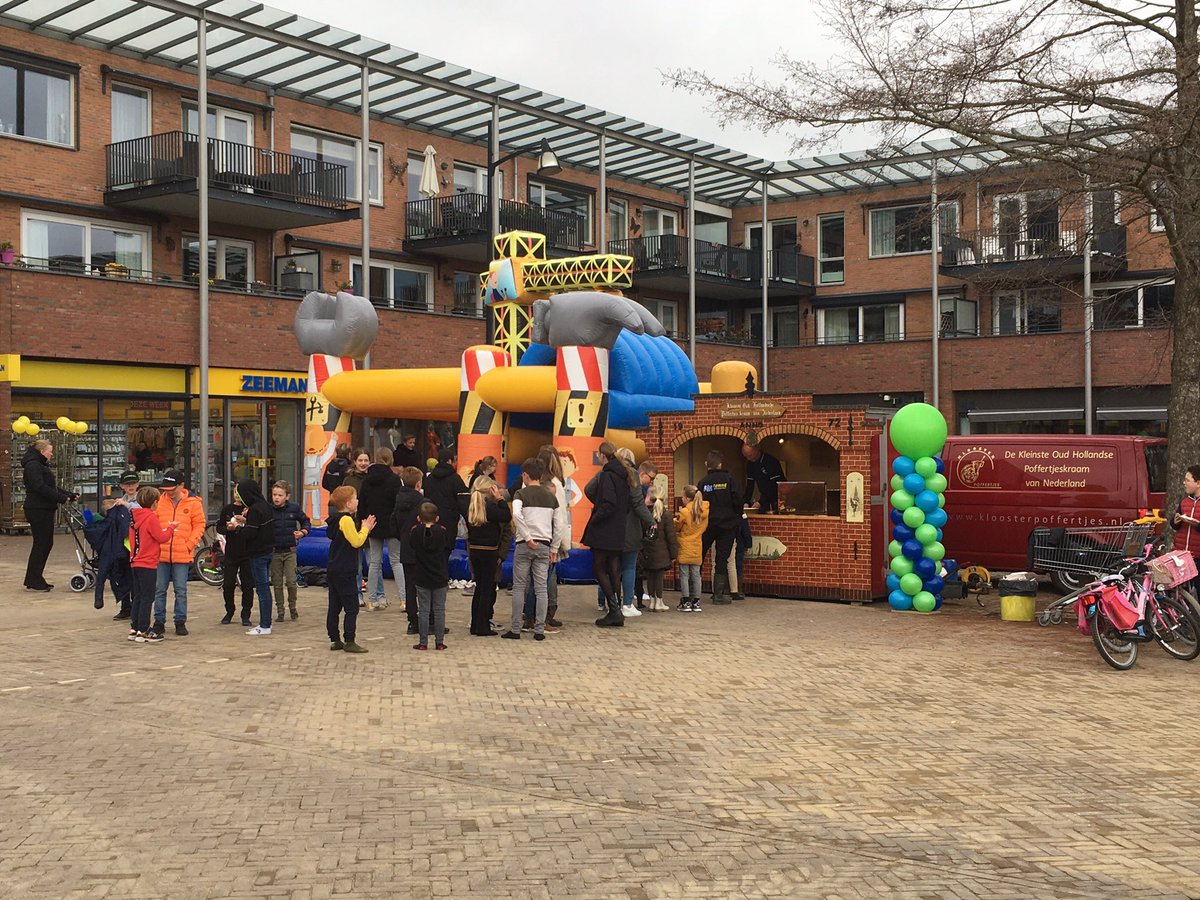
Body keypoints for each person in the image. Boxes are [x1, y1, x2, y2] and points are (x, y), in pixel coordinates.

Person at [505, 458, 561, 641]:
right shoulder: (551, 497)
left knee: (520, 587)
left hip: (524, 545)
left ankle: (515, 629)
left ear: (525, 475)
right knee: (541, 588)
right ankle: (539, 630)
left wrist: (527, 537)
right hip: (545, 545)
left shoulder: (520, 494)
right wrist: (554, 547)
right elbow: (558, 525)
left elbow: (516, 514)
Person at [582, 442, 633, 628]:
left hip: (604, 529)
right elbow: (626, 504)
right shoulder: (624, 474)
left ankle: (614, 610)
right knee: (614, 568)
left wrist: (595, 518)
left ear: (602, 455)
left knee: (598, 568)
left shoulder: (607, 475)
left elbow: (608, 502)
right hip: (618, 528)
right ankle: (616, 609)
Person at [151, 469, 205, 636]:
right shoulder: (160, 502)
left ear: (181, 486)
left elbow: (199, 525)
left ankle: (180, 621)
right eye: (165, 490)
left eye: (171, 489)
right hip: (162, 553)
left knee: (180, 589)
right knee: (160, 589)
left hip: (182, 552)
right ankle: (159, 621)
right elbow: (153, 523)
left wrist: (189, 544)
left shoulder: (193, 503)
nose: (168, 493)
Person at [522, 446, 569, 632]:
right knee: (544, 580)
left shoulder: (528, 483)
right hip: (548, 537)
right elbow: (560, 517)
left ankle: (529, 616)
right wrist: (561, 543)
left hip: (529, 537)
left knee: (529, 580)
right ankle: (541, 617)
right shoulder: (554, 486)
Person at [21, 439, 77, 592]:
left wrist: (68, 494)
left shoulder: (39, 465)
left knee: (45, 543)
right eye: (50, 451)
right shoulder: (33, 465)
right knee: (42, 543)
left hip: (43, 508)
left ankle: (34, 577)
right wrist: (60, 498)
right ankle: (34, 578)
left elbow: (50, 486)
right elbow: (39, 487)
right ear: (42, 451)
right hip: (38, 509)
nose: (51, 454)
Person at [325, 485, 374, 653]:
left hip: (333, 567)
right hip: (345, 568)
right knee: (351, 607)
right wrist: (365, 529)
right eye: (355, 499)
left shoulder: (334, 519)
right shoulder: (346, 519)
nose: (357, 501)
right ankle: (349, 640)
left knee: (334, 606)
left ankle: (334, 639)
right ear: (347, 503)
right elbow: (356, 541)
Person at [226, 479, 276, 636]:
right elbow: (259, 526)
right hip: (268, 551)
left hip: (258, 554)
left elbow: (251, 533)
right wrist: (246, 521)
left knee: (262, 590)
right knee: (265, 588)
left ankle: (265, 625)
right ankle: (266, 623)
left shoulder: (254, 509)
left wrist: (237, 528)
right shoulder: (266, 506)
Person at [128, 487, 175, 644]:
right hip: (148, 562)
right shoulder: (151, 517)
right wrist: (171, 528)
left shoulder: (134, 517)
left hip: (135, 561)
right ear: (155, 502)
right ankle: (144, 630)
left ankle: (134, 629)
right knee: (148, 598)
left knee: (138, 597)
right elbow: (161, 537)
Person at [466, 475, 511, 636]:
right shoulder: (491, 508)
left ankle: (475, 624)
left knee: (479, 587)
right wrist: (500, 499)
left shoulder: (472, 507)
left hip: (475, 550)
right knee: (487, 588)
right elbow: (507, 516)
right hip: (489, 551)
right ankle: (483, 626)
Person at [359, 447, 403, 611]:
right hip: (391, 525)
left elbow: (362, 504)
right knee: (396, 562)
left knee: (374, 563)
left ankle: (371, 600)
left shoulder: (367, 480)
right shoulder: (394, 480)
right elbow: (398, 505)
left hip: (372, 523)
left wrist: (363, 523)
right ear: (390, 459)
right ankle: (404, 599)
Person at [614, 448, 654, 617]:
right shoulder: (633, 475)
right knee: (629, 566)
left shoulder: (606, 473)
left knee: (611, 567)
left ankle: (606, 602)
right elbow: (638, 504)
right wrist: (651, 522)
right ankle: (628, 604)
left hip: (610, 527)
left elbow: (590, 490)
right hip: (630, 527)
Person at [698, 450, 741, 605]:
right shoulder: (730, 480)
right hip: (726, 525)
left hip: (707, 525)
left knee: (699, 556)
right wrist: (736, 517)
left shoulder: (703, 483)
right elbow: (738, 501)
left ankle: (693, 592)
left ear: (706, 464)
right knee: (722, 559)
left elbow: (698, 504)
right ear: (720, 464)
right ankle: (718, 595)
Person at [410, 501, 451, 651]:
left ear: (418, 518)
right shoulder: (442, 531)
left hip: (422, 575)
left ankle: (423, 642)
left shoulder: (415, 531)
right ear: (437, 518)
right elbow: (446, 546)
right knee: (439, 609)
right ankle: (439, 642)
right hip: (440, 575)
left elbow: (412, 544)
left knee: (424, 610)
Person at [99, 471, 140, 619]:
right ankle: (125, 606)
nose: (131, 486)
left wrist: (126, 505)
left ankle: (135, 606)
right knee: (121, 574)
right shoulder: (119, 500)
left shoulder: (140, 499)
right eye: (127, 484)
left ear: (138, 484)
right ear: (122, 486)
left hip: (135, 543)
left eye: (133, 483)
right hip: (122, 544)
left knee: (134, 576)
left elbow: (141, 509)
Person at [390, 466, 425, 636]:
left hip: (406, 547)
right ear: (418, 484)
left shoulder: (398, 501)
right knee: (426, 586)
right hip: (422, 550)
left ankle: (412, 621)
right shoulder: (423, 503)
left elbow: (393, 524)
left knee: (410, 586)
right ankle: (428, 620)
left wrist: (402, 537)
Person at [270, 480, 310, 622]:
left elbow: (306, 521)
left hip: (290, 551)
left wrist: (303, 532)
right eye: (274, 494)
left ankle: (293, 607)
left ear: (287, 496)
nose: (276, 498)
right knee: (277, 583)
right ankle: (280, 610)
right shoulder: (269, 510)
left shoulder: (294, 508)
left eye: (280, 495)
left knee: (291, 582)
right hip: (275, 551)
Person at [217, 492, 254, 627]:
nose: (238, 496)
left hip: (247, 552)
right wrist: (227, 528)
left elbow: (256, 528)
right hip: (231, 552)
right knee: (228, 585)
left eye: (240, 493)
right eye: (235, 493)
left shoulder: (251, 509)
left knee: (247, 585)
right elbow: (219, 527)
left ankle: (246, 614)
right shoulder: (227, 509)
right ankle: (229, 611)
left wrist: (245, 521)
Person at [639, 485, 678, 612]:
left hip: (647, 551)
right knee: (659, 577)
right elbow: (671, 536)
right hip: (662, 552)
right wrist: (674, 554)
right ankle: (659, 602)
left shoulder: (644, 513)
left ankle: (651, 601)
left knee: (650, 576)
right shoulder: (666, 515)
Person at [423, 449, 468, 554]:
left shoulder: (429, 478)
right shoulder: (455, 478)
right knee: (445, 553)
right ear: (449, 461)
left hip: (431, 519)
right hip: (449, 520)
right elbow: (463, 499)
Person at [674, 484, 709, 612]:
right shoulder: (704, 511)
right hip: (697, 544)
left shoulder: (684, 512)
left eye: (683, 497)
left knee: (684, 574)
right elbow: (704, 528)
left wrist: (675, 522)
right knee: (696, 574)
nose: (682, 499)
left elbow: (677, 527)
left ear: (688, 498)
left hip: (684, 544)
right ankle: (696, 601)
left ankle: (686, 601)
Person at [1172, 464, 1200, 596]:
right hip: (1182, 556)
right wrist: (1176, 522)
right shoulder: (1184, 502)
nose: (1184, 483)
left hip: (1198, 556)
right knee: (1181, 592)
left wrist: (1195, 524)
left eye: (1188, 480)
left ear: (1198, 483)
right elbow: (1175, 525)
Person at [742, 440, 786, 514]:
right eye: (746, 456)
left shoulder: (771, 461)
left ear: (756, 450)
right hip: (764, 497)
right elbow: (750, 485)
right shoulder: (749, 464)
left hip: (777, 497)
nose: (748, 458)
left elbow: (774, 485)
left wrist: (760, 502)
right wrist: (746, 501)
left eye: (750, 455)